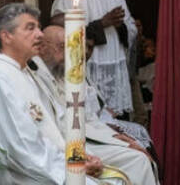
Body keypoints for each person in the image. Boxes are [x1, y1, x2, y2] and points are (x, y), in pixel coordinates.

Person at [0, 3, 107, 184]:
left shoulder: (26, 72)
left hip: (54, 166)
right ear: (6, 36)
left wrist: (80, 157)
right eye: (30, 28)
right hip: (28, 177)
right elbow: (21, 149)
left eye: (38, 27)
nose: (40, 34)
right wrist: (71, 168)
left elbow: (59, 122)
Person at [30, 26, 158, 185]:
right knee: (137, 160)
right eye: (62, 47)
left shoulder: (66, 73)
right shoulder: (34, 76)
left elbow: (89, 117)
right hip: (64, 147)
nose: (68, 55)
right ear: (42, 48)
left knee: (139, 156)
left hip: (86, 140)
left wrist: (117, 138)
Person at [51, 0, 137, 118]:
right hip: (85, 68)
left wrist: (121, 27)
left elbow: (131, 30)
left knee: (117, 121)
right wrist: (101, 24)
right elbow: (59, 33)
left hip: (113, 69)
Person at [110, 0, 147, 126]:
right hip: (118, 70)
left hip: (128, 71)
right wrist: (131, 29)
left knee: (139, 115)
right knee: (136, 117)